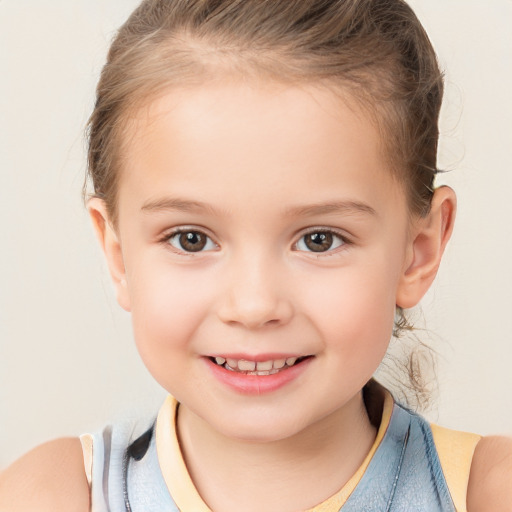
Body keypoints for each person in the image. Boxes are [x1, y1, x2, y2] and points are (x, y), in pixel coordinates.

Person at [1, 0, 511, 510]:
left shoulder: (489, 490)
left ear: (417, 252)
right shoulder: (57, 495)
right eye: (191, 239)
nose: (253, 305)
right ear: (118, 254)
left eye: (319, 239)